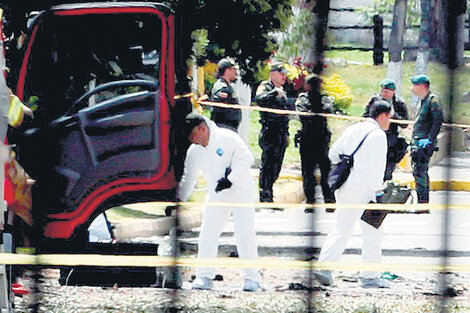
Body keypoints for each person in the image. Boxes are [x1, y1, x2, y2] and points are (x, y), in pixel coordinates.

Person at [177, 113, 260, 291]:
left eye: (193, 135)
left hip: (241, 193)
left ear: (202, 128)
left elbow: (246, 158)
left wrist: (231, 179)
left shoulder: (227, 137)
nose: (192, 140)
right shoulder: (194, 151)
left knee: (244, 234)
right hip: (217, 196)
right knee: (207, 234)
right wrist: (178, 201)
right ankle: (204, 276)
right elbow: (189, 178)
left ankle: (252, 279)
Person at [314, 100, 392, 289]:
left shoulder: (353, 129)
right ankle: (370, 275)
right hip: (367, 191)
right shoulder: (378, 136)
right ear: (382, 116)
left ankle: (324, 267)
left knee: (342, 228)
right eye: (390, 117)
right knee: (373, 233)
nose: (390, 121)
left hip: (346, 187)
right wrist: (379, 194)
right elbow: (376, 170)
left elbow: (333, 154)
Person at [255, 63, 293, 202]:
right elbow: (259, 100)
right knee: (268, 165)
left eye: (285, 74)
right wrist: (273, 93)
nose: (284, 77)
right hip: (269, 132)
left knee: (277, 165)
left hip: (281, 133)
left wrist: (287, 134)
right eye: (281, 73)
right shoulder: (266, 87)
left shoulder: (283, 90)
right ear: (273, 74)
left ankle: (269, 191)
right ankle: (265, 195)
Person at [295, 74, 335, 204]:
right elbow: (303, 115)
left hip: (322, 141)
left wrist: (314, 113)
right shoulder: (303, 99)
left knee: (326, 172)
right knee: (308, 173)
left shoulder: (325, 99)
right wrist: (316, 114)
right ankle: (310, 201)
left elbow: (328, 110)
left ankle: (329, 200)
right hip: (307, 140)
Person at [363, 78, 409, 181]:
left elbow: (405, 124)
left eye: (387, 92)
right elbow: (365, 116)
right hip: (374, 137)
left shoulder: (399, 103)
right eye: (382, 91)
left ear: (393, 92)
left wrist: (394, 115)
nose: (383, 94)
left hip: (390, 141)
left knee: (387, 172)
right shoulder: (374, 100)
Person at [410, 74, 443, 203]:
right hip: (418, 143)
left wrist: (430, 138)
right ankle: (422, 202)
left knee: (421, 172)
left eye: (414, 85)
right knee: (418, 172)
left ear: (422, 86)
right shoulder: (423, 101)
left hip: (424, 144)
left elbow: (438, 120)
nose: (411, 88)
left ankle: (423, 204)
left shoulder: (432, 100)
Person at [210, 58, 241, 131]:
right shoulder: (222, 88)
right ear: (227, 70)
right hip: (224, 129)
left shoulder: (226, 86)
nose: (236, 73)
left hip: (229, 128)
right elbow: (219, 109)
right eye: (234, 69)